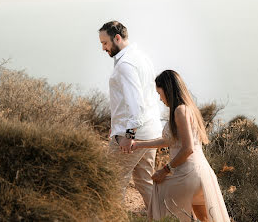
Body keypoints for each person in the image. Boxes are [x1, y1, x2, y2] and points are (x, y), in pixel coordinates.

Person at [132, 70, 230, 222]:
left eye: (160, 93)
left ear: (168, 89)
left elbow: (188, 148)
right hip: (202, 173)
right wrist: (138, 145)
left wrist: (164, 171)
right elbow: (169, 141)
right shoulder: (187, 108)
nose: (159, 98)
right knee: (204, 218)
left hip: (188, 174)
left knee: (160, 196)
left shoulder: (180, 111)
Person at [98, 21, 162, 209]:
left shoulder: (125, 65)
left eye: (105, 43)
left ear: (117, 38)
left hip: (133, 134)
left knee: (112, 181)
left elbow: (135, 104)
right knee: (145, 181)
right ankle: (162, 218)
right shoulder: (141, 56)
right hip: (151, 130)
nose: (103, 48)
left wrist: (129, 134)